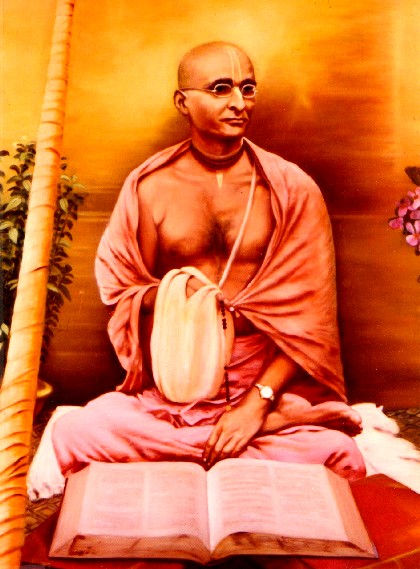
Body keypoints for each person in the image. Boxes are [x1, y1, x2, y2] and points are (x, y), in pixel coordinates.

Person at [52, 41, 365, 480]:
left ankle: (262, 423)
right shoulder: (150, 188)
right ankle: (267, 431)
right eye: (220, 89)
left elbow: (309, 319)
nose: (239, 103)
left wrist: (256, 405)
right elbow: (124, 291)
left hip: (264, 380)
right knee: (74, 434)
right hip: (179, 384)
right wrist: (177, 294)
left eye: (247, 88)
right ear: (183, 102)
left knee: (337, 454)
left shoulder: (292, 188)